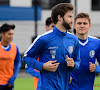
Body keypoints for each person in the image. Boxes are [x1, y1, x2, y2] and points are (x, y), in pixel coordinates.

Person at [22, 3, 80, 90]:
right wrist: (43, 66)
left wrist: (73, 64)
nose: (72, 20)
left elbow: (78, 61)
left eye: (72, 17)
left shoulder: (74, 39)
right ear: (60, 17)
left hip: (64, 87)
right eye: (69, 17)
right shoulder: (43, 38)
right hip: (46, 87)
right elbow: (26, 58)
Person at [69, 13, 100, 90]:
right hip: (70, 87)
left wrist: (96, 69)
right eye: (79, 23)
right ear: (75, 26)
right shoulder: (67, 43)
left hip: (88, 87)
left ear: (89, 26)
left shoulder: (97, 43)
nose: (82, 26)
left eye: (85, 23)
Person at [25, 17, 55, 90]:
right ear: (46, 27)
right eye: (53, 26)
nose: (55, 29)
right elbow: (28, 66)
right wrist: (41, 75)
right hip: (42, 85)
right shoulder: (41, 43)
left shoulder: (61, 44)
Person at [0, 23, 21, 90]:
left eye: (12, 34)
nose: (11, 36)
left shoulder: (15, 47)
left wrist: (13, 77)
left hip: (9, 83)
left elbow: (18, 63)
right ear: (2, 35)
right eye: (9, 34)